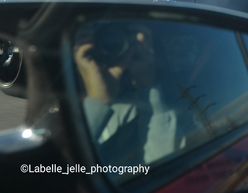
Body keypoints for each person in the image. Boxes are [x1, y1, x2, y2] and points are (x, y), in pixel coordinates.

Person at [74, 23, 186, 167]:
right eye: (94, 41)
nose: (110, 45)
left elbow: (163, 165)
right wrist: (97, 101)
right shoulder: (55, 117)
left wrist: (146, 84)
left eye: (118, 40)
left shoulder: (137, 111)